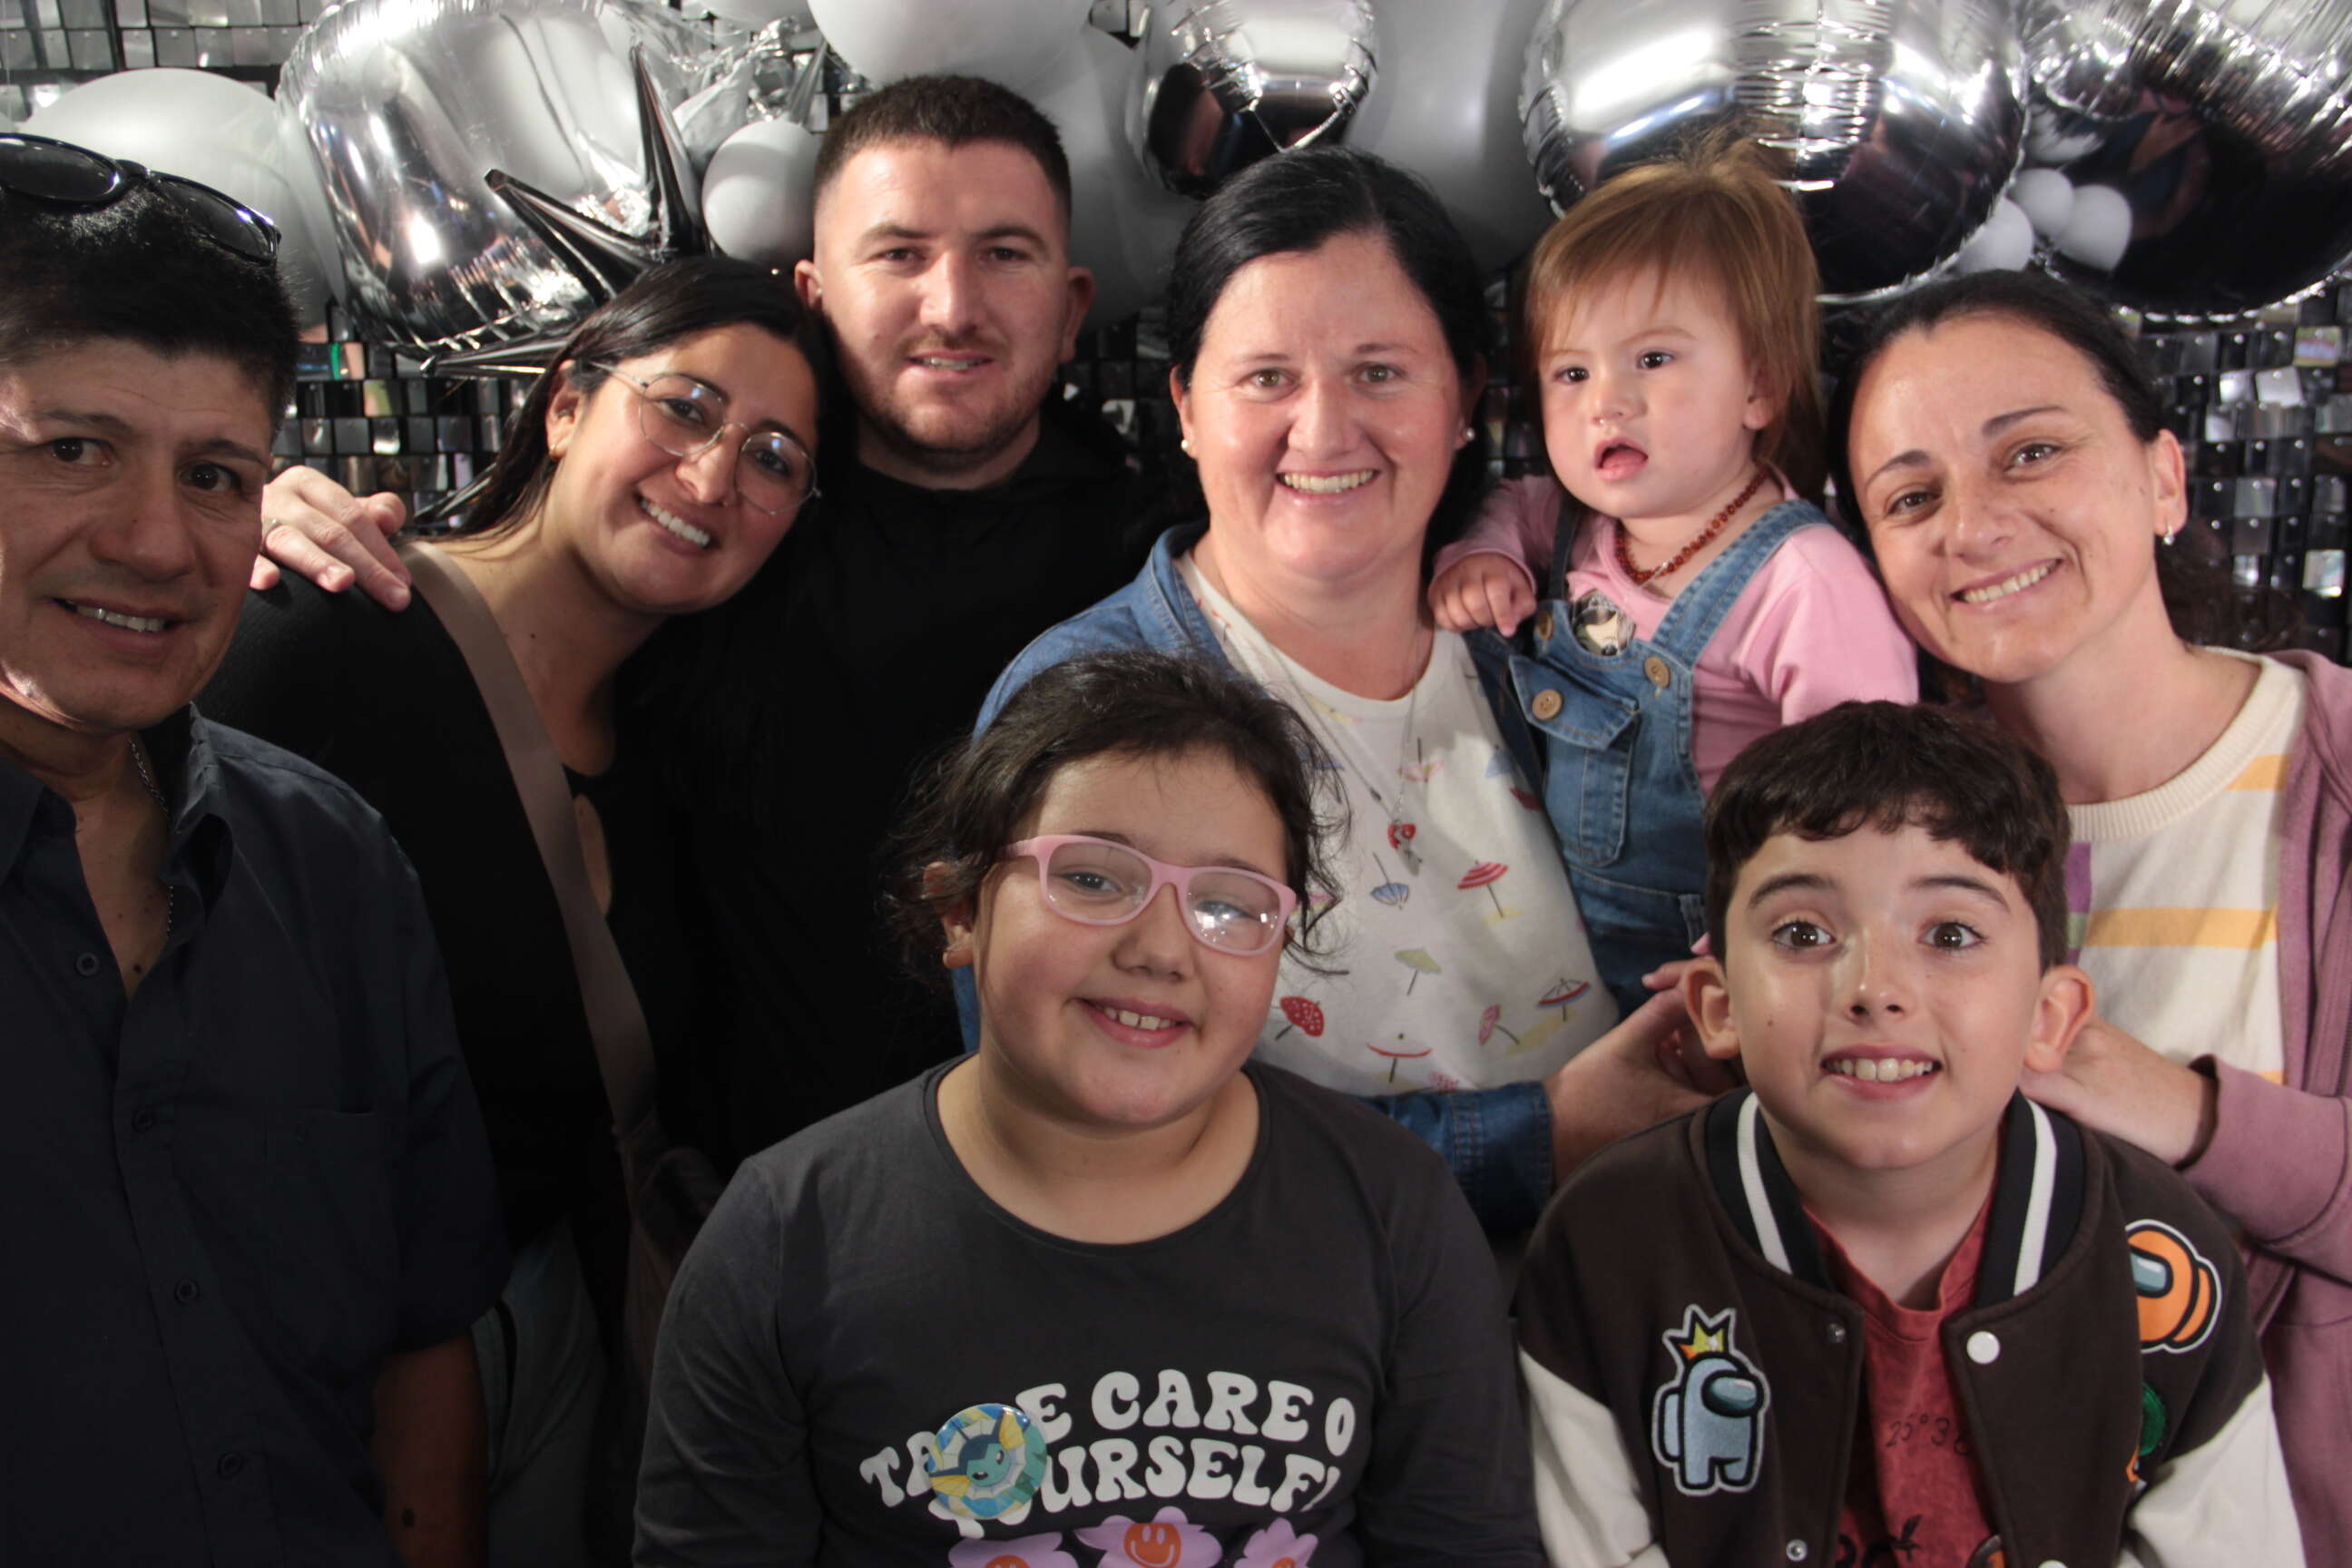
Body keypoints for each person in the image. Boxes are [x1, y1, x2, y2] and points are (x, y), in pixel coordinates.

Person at [250, 75, 1149, 1170]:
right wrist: (269, 519)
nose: (952, 305)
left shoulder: (1163, 560)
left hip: (1075, 1194)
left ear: (1072, 303)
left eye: (1004, 253)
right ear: (816, 293)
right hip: (730, 1212)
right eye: (899, 254)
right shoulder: (726, 530)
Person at [635, 649, 1543, 1565]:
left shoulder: (1394, 1213)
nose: (1161, 949)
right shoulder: (784, 1240)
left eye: (1230, 905)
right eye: (1093, 878)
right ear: (959, 910)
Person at [200, 257, 828, 1563]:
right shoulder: (322, 625)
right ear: (566, 405)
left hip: (554, 1353)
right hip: (295, 1362)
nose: (716, 475)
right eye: (685, 407)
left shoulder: (685, 751)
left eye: (774, 457)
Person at [977, 145, 1720, 1237]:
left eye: (1379, 372)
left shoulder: (1565, 640)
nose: (1323, 431)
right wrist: (1541, 1135)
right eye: (1266, 378)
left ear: (1464, 398)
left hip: (1635, 1289)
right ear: (1186, 405)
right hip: (1302, 1327)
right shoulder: (1082, 702)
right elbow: (1073, 1137)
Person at [0, 133, 505, 1563]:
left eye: (217, 475)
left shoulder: (329, 864)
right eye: (75, 451)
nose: (159, 543)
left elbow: (420, 1348)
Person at [1518, 701, 2300, 1567]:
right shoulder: (1608, 1242)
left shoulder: (2159, 1246)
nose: (1876, 989)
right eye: (1803, 933)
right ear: (1718, 1006)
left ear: (2049, 1018)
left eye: (1951, 934)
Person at [1832, 267, 2352, 1563]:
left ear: (2165, 479)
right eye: (1912, 497)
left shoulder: (2336, 772)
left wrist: (2181, 1108)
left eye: (2032, 453)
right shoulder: (1865, 846)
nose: (1974, 525)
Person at [1424, 136, 1916, 1014]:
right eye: (1571, 372)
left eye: (1652, 359)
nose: (1606, 401)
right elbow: (1513, 505)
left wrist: (1760, 942)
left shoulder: (1801, 580)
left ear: (1759, 387)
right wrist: (1482, 556)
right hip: (1562, 934)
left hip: (1716, 958)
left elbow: (1865, 802)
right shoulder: (1567, 521)